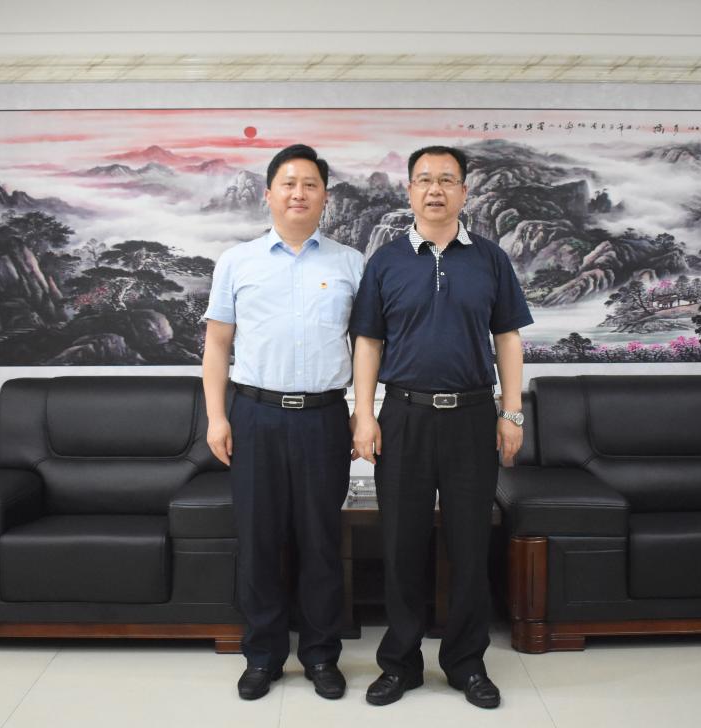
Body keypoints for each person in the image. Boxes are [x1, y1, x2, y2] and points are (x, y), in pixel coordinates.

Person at [350, 145, 532, 709]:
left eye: (447, 180)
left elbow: (507, 338)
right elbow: (368, 342)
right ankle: (400, 664)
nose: (435, 190)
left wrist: (511, 412)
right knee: (401, 544)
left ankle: (466, 663)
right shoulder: (385, 262)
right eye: (424, 180)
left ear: (463, 192)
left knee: (470, 545)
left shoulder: (490, 259)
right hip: (403, 416)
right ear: (409, 191)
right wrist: (364, 413)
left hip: (473, 417)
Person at [202, 144, 363, 701]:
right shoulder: (237, 261)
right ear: (268, 193)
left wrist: (365, 413)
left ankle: (320, 655)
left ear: (325, 196)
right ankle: (262, 655)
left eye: (310, 184)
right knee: (259, 541)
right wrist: (217, 418)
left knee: (321, 542)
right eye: (288, 183)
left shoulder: (351, 263)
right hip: (254, 415)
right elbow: (217, 346)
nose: (299, 193)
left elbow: (369, 347)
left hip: (324, 418)